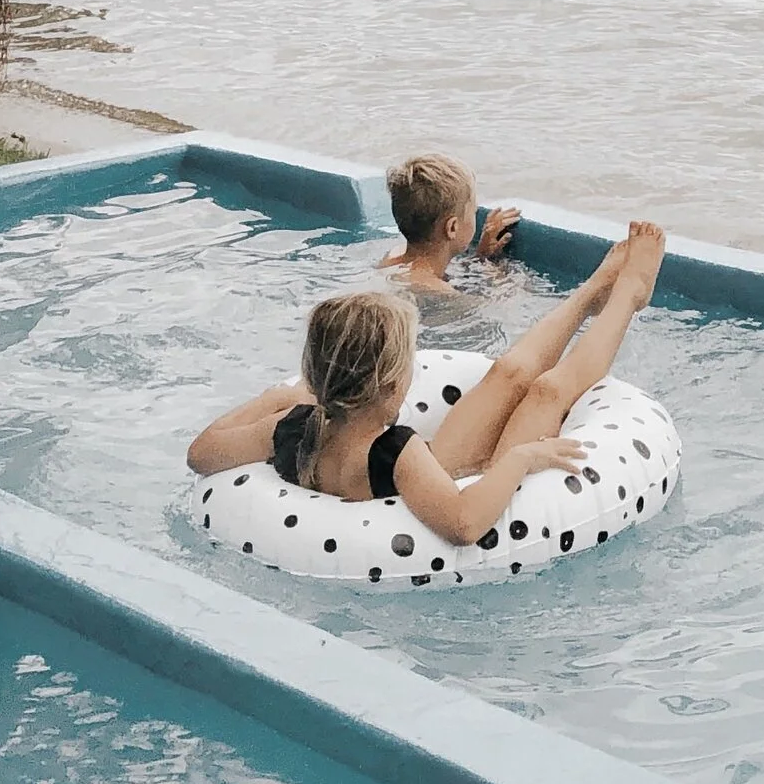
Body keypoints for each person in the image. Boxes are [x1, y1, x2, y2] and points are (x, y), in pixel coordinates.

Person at [185, 221, 666, 550]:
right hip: (459, 483)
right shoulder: (398, 451)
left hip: (431, 473)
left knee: (508, 373)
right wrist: (521, 458)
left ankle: (590, 294)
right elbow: (464, 524)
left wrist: (274, 397)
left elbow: (201, 452)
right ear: (394, 382)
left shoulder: (288, 427)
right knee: (550, 391)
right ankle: (627, 296)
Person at [378, 153, 518, 296]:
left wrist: (481, 257)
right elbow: (504, 302)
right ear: (452, 227)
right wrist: (498, 275)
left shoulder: (392, 256)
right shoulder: (443, 294)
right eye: (473, 211)